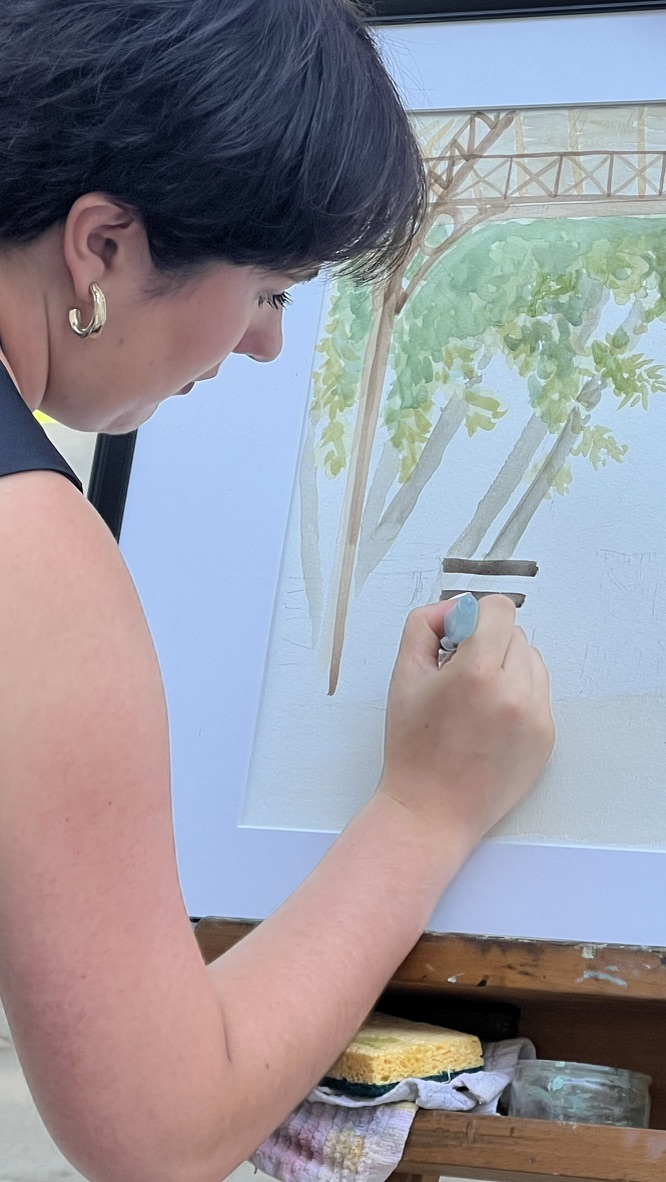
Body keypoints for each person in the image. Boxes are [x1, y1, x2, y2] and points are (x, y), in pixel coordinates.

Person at [0, 2, 554, 1180]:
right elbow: (159, 1128)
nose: (263, 346)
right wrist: (426, 809)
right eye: (271, 290)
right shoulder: (27, 551)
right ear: (103, 247)